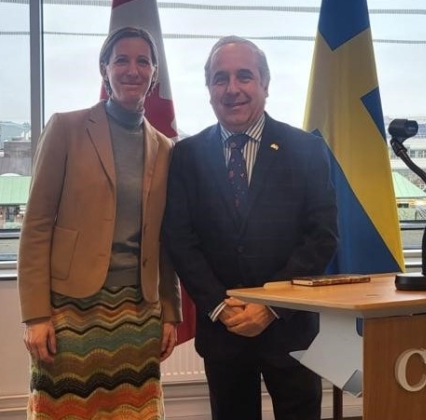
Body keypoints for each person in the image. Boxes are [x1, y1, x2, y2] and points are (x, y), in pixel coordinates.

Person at [163, 36, 338, 420]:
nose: (232, 89)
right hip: (223, 330)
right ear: (208, 89)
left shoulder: (306, 149)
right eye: (220, 78)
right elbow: (180, 239)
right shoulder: (187, 155)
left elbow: (321, 236)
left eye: (245, 76)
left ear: (265, 84)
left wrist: (271, 305)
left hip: (291, 328)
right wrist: (221, 305)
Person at [17, 26, 181, 420]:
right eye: (121, 59)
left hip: (137, 312)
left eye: (143, 61)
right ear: (104, 68)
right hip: (70, 311)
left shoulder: (165, 148)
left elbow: (165, 239)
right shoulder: (67, 129)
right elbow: (37, 224)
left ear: (154, 74)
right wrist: (36, 315)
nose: (132, 69)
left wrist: (171, 312)